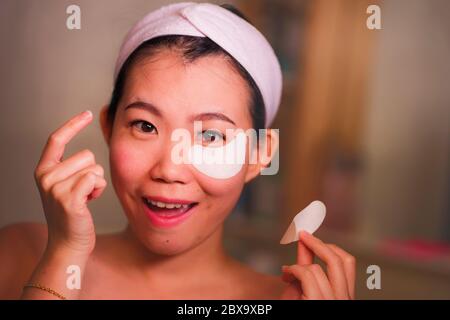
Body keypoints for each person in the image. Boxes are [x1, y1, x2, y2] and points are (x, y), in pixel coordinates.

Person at [0, 2, 355, 300]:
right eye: (145, 126)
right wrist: (64, 257)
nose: (170, 169)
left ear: (260, 154)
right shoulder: (21, 253)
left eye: (211, 137)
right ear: (109, 127)